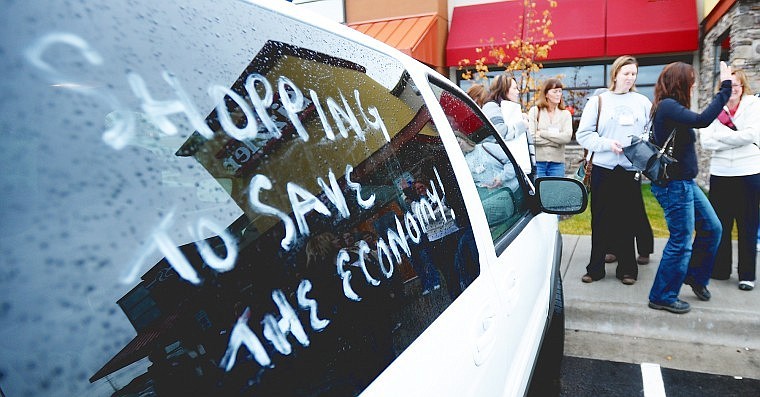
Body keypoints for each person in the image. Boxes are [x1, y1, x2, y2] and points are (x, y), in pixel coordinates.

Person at [646, 61, 733, 314]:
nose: (694, 85)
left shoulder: (672, 107)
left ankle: (695, 276)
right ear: (680, 82)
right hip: (674, 186)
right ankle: (662, 295)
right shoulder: (668, 107)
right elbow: (703, 120)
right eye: (691, 81)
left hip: (685, 183)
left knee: (712, 227)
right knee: (681, 240)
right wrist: (724, 88)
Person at [575, 55, 653, 286]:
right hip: (604, 168)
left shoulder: (642, 102)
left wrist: (639, 145)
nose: (630, 78)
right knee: (600, 220)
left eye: (634, 74)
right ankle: (595, 268)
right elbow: (584, 135)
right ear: (615, 74)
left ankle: (627, 269)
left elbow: (650, 132)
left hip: (629, 171)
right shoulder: (599, 101)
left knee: (627, 221)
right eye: (626, 73)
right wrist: (608, 144)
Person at [700, 69, 760, 291]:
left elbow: (752, 135)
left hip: (749, 172)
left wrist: (722, 138)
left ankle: (747, 275)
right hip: (721, 173)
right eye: (728, 84)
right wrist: (737, 139)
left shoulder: (753, 105)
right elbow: (706, 141)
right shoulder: (716, 106)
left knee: (748, 225)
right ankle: (721, 269)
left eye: (737, 85)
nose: (733, 88)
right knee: (721, 225)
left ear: (743, 87)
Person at [528, 78, 573, 178]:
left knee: (556, 192)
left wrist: (543, 133)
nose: (558, 94)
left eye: (560, 91)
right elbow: (532, 137)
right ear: (546, 94)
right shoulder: (535, 111)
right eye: (555, 91)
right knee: (539, 192)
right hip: (538, 163)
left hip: (557, 164)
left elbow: (566, 137)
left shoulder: (565, 114)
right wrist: (557, 142)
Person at [481, 73, 529, 142]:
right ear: (504, 89)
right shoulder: (491, 106)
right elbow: (499, 133)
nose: (518, 92)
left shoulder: (503, 107)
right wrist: (523, 125)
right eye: (514, 88)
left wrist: (519, 117)